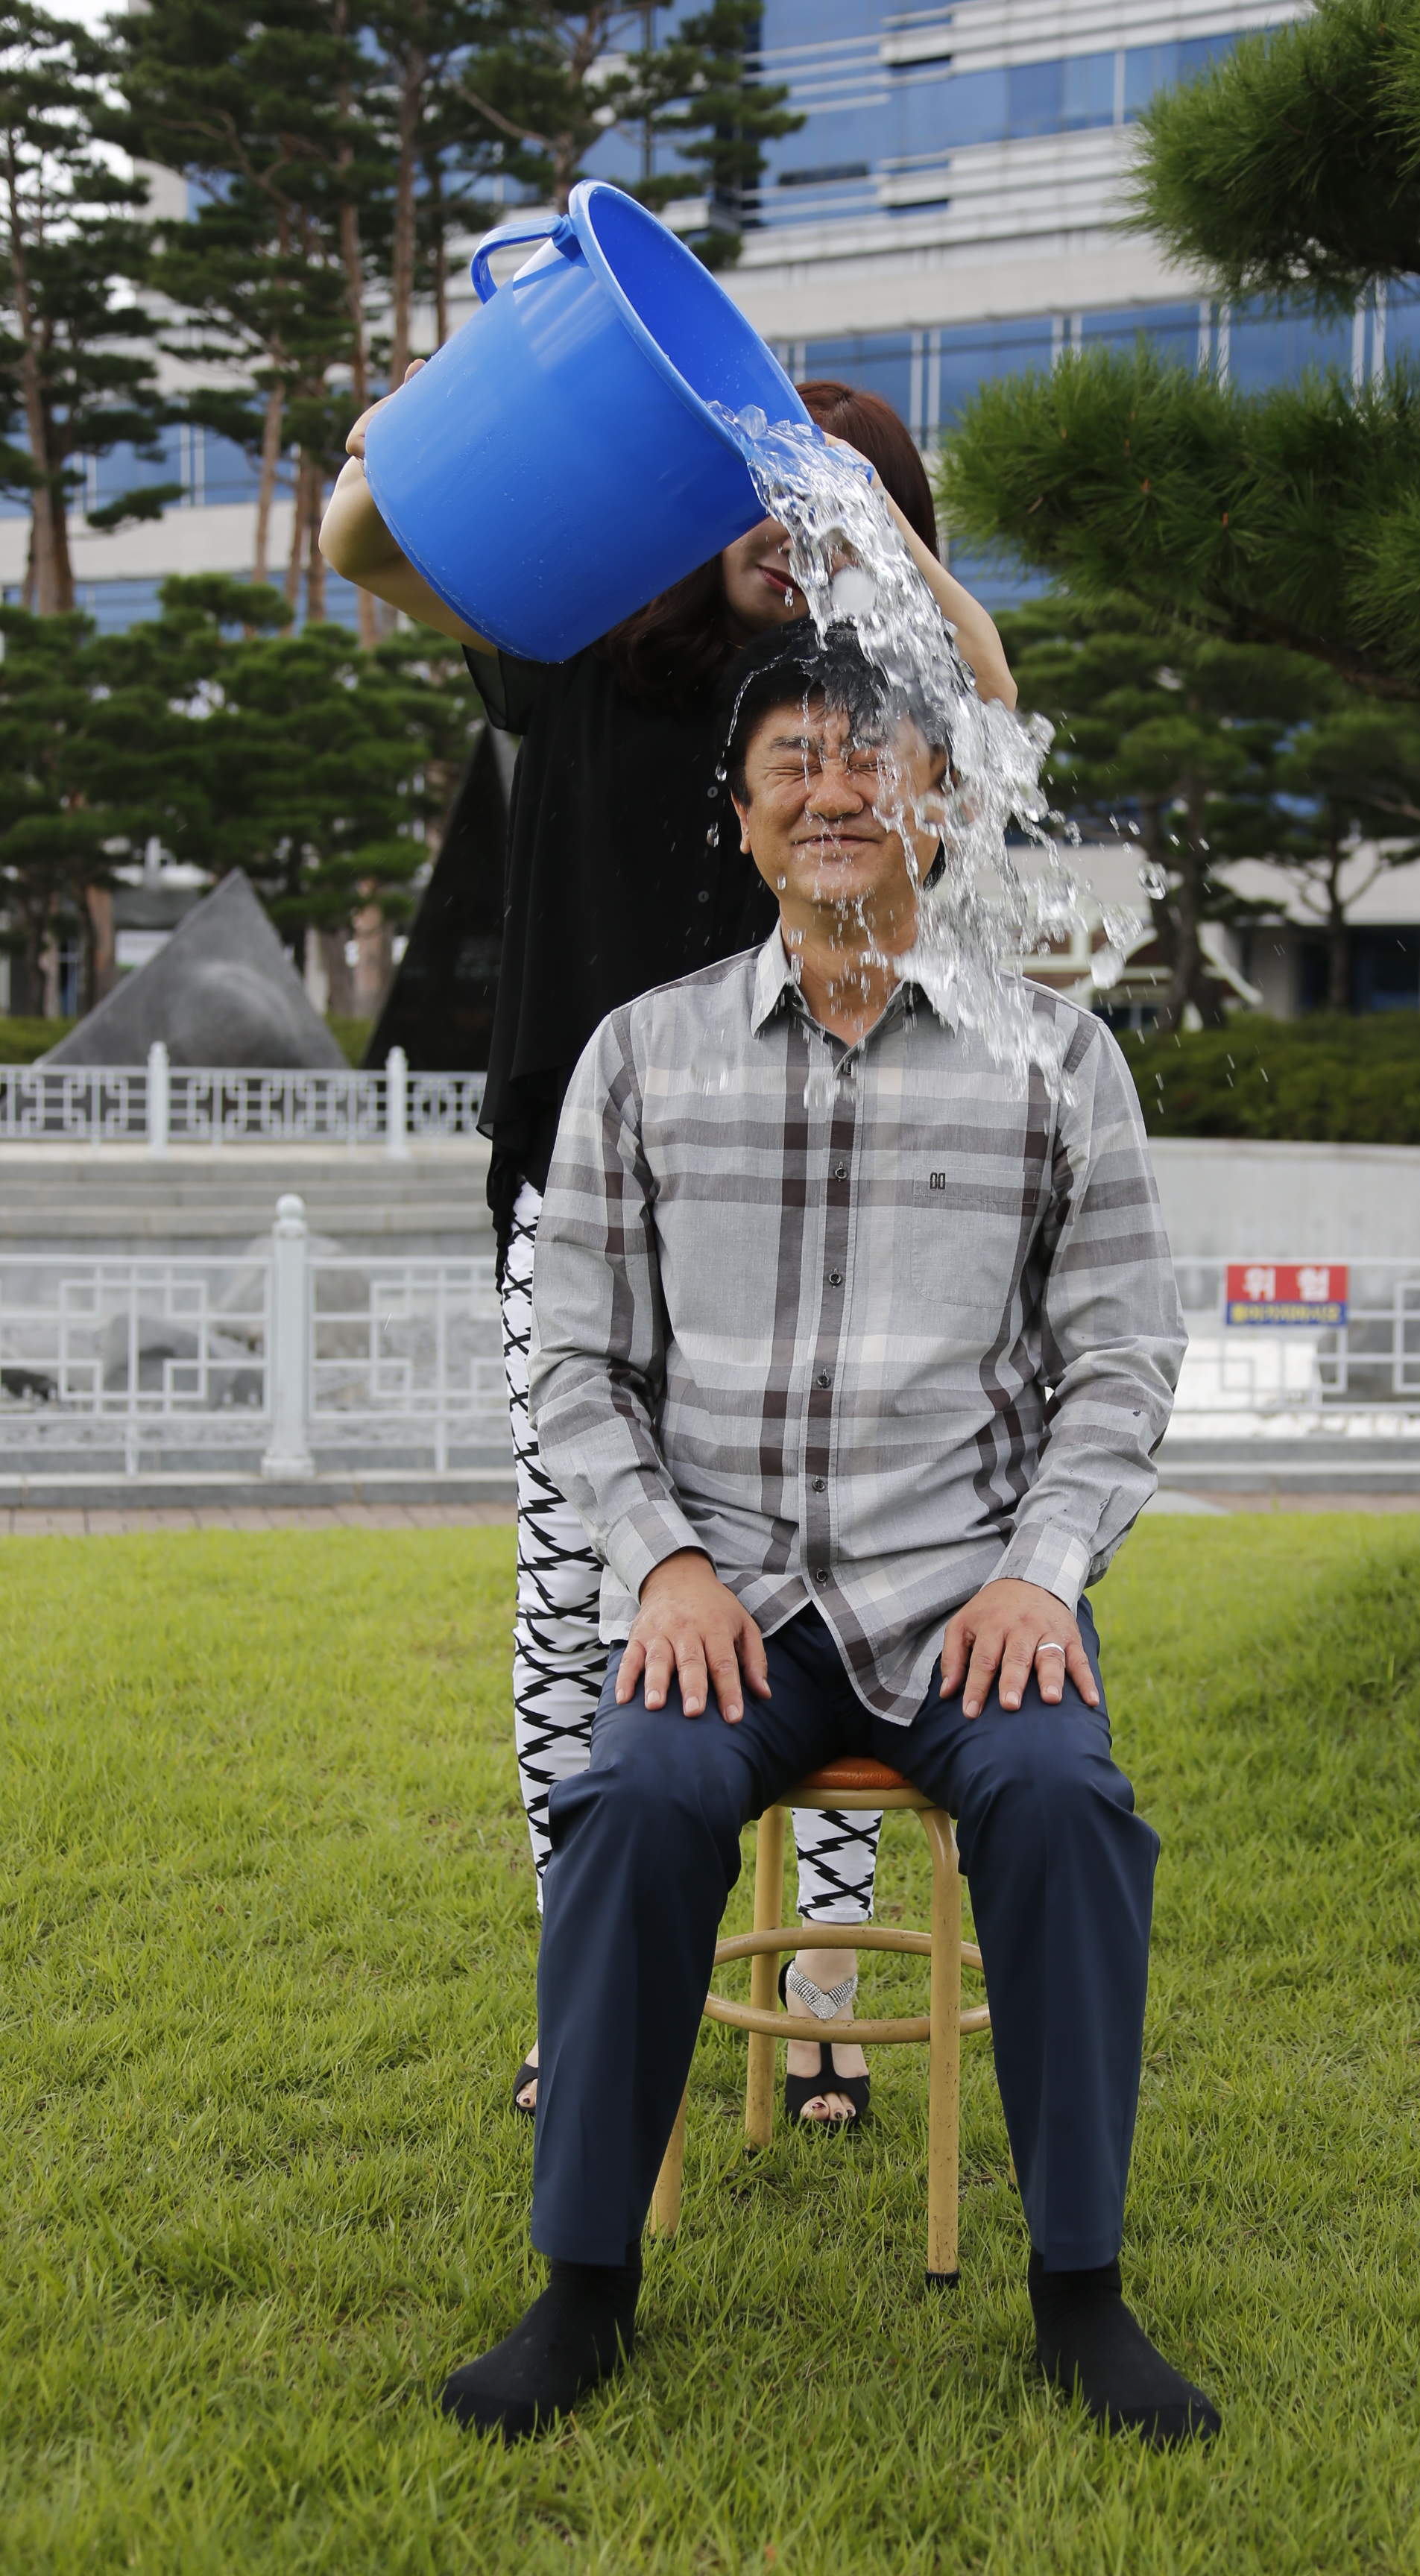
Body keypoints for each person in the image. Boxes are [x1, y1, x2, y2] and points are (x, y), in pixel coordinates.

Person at [437, 622, 1220, 2447]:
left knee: (1068, 1806)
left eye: (874, 757)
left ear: (939, 803)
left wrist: (1045, 1569)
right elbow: (572, 1365)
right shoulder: (638, 1058)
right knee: (627, 1798)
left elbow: (1124, 1356)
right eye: (794, 759)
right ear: (744, 815)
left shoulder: (1057, 1060)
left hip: (970, 1597)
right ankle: (582, 2289)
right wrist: (666, 1564)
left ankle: (1081, 2292)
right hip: (732, 1600)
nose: (836, 787)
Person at [321, 375, 1018, 2127]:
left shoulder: (861, 712)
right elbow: (365, 543)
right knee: (578, 1604)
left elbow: (996, 691)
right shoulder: (577, 643)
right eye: (761, 491)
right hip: (577, 1210)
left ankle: (832, 2014)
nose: (785, 529)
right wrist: (478, 392)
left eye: (830, 506)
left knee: (848, 1606)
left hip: (821, 1219)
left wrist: (869, 531)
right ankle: (591, 1996)